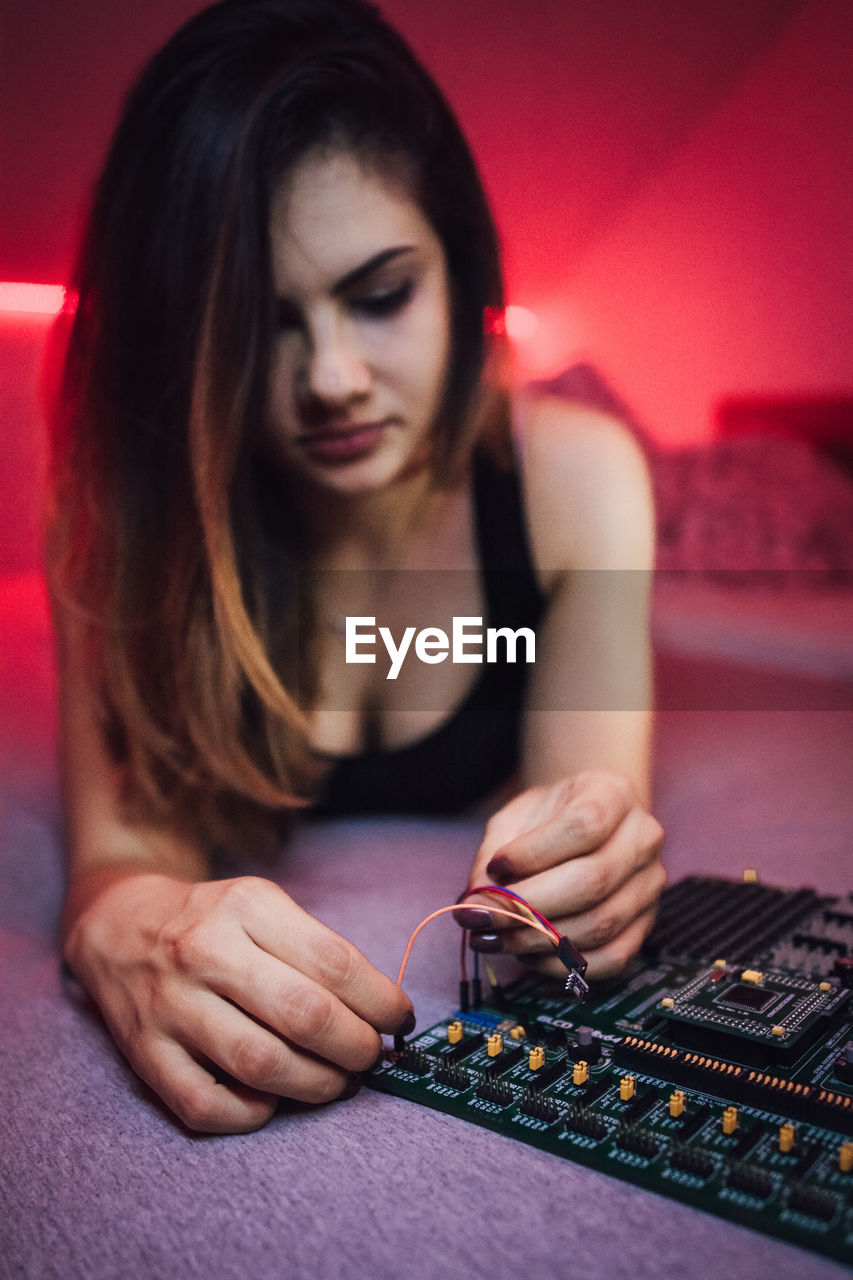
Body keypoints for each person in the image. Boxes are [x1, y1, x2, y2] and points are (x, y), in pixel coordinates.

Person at [48, 0, 665, 1135]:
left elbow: (588, 799)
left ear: (460, 266)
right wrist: (117, 922)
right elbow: (119, 858)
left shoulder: (576, 483)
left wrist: (592, 862)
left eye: (380, 295)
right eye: (256, 324)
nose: (331, 375)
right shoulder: (124, 523)